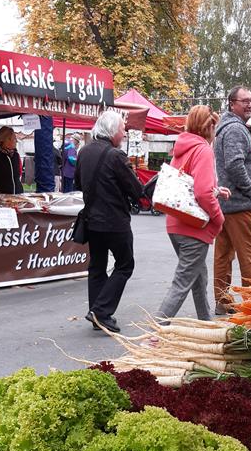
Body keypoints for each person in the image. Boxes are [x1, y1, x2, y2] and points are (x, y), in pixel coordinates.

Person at [157, 106, 229, 321]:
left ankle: (206, 324)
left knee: (199, 277)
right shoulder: (204, 149)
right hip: (194, 227)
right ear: (209, 126)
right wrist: (219, 217)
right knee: (182, 283)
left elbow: (186, 184)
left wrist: (216, 190)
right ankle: (154, 334)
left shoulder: (183, 146)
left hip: (176, 223)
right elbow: (202, 193)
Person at [75, 111, 143, 334]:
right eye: (123, 129)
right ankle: (101, 311)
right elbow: (135, 190)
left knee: (97, 266)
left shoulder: (83, 152)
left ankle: (97, 313)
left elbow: (77, 182)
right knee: (125, 264)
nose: (124, 133)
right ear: (113, 131)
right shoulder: (116, 156)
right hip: (114, 221)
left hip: (92, 220)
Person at [212, 85, 251, 315]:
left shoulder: (226, 128)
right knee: (249, 255)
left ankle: (223, 300)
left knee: (223, 254)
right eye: (245, 101)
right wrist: (250, 189)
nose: (250, 104)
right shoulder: (235, 129)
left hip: (226, 204)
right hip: (239, 204)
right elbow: (234, 163)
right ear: (232, 103)